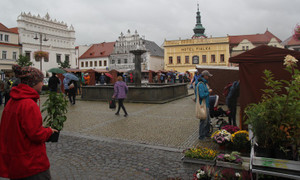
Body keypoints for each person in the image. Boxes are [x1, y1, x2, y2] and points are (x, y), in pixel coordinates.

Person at [0, 65, 57, 179]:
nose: (42, 84)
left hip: (16, 163)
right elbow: (36, 135)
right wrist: (49, 131)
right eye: (41, 81)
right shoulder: (28, 104)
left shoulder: (12, 101)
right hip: (32, 164)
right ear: (33, 83)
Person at [197, 70, 213, 140]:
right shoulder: (201, 84)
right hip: (203, 105)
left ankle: (206, 133)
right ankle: (201, 136)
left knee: (208, 121)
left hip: (206, 104)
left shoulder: (204, 83)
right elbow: (202, 95)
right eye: (208, 76)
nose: (209, 77)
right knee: (203, 121)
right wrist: (208, 92)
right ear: (205, 76)